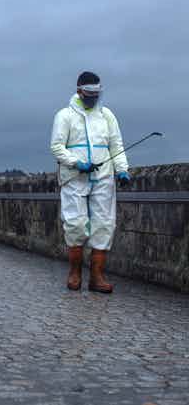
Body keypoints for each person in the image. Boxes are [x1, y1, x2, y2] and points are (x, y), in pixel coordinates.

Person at [50, 72, 130, 294]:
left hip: (103, 177)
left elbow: (116, 144)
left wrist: (122, 169)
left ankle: (97, 277)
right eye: (89, 94)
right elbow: (57, 147)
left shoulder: (107, 116)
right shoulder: (64, 116)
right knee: (75, 224)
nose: (93, 98)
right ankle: (75, 273)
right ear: (79, 91)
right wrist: (77, 163)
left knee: (104, 225)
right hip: (74, 178)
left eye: (97, 94)